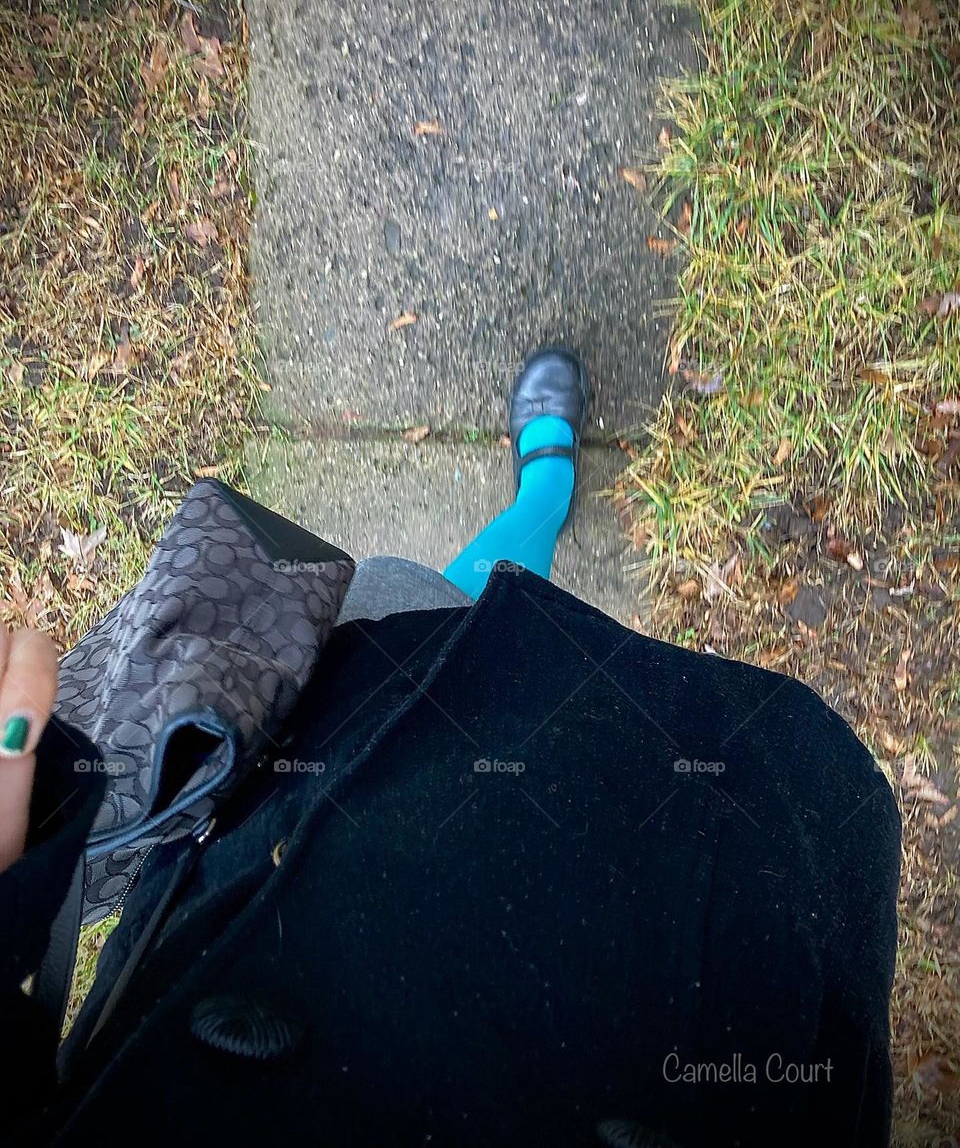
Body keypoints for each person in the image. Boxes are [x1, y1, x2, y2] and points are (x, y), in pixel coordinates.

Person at [1, 349, 900, 1147]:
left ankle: (541, 502)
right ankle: (540, 499)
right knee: (487, 656)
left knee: (431, 623)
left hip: (268, 901)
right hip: (685, 972)